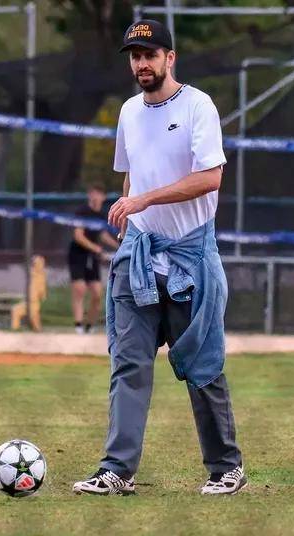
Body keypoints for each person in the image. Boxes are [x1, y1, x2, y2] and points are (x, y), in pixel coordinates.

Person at [72, 20, 245, 496]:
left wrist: (145, 201)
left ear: (171, 58)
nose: (142, 64)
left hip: (190, 257)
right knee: (128, 365)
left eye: (150, 54)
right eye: (134, 56)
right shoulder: (128, 112)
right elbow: (131, 177)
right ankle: (116, 470)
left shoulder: (197, 106)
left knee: (201, 366)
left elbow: (210, 178)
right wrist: (131, 211)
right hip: (139, 258)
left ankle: (226, 467)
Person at [68, 182, 119, 334]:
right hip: (78, 254)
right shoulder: (82, 211)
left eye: (99, 193)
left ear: (103, 197)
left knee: (97, 293)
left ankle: (89, 326)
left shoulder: (101, 215)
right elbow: (78, 236)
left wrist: (119, 245)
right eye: (93, 193)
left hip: (92, 257)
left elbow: (102, 235)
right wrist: (95, 248)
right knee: (80, 289)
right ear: (89, 194)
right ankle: (78, 325)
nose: (96, 196)